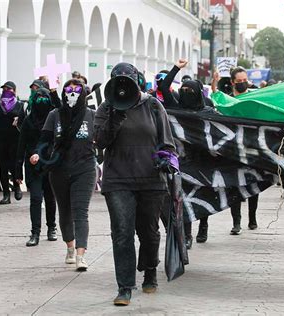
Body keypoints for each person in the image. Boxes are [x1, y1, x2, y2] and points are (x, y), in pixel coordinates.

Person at [94, 62, 176, 306]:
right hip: (118, 180)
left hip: (151, 180)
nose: (122, 84)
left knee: (149, 233)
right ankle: (125, 286)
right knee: (122, 233)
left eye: (126, 79)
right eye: (116, 80)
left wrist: (166, 160)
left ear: (136, 80)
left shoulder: (153, 105)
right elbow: (99, 141)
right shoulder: (106, 107)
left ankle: (150, 270)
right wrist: (115, 118)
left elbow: (167, 143)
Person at [30, 78, 96, 271]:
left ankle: (81, 255)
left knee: (80, 212)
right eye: (68, 89)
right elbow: (44, 139)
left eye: (77, 90)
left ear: (83, 93)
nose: (72, 93)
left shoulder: (91, 115)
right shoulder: (55, 115)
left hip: (85, 169)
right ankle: (70, 246)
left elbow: (102, 138)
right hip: (59, 169)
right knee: (65, 211)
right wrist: (37, 153)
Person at [159, 59, 219, 248]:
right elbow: (165, 86)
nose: (186, 95)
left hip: (202, 160)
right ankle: (187, 234)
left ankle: (204, 224)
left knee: (202, 194)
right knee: (182, 199)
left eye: (190, 92)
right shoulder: (176, 108)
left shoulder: (207, 111)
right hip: (181, 162)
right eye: (183, 91)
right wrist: (176, 67)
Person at [212, 67, 259, 235]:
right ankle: (236, 222)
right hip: (233, 149)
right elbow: (216, 99)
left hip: (252, 148)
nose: (242, 84)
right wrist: (214, 83)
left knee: (254, 183)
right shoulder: (228, 101)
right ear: (232, 82)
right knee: (234, 186)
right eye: (239, 81)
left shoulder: (256, 98)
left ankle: (252, 218)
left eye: (244, 80)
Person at [16, 87, 57, 247]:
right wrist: (18, 171)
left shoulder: (53, 119)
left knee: (50, 197)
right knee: (35, 199)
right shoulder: (28, 120)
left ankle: (52, 227)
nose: (41, 101)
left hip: (50, 163)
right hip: (32, 165)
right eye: (38, 97)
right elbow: (21, 145)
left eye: (44, 97)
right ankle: (35, 233)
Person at [0, 81, 23, 204]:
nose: (6, 91)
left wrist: (19, 119)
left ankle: (16, 187)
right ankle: (6, 194)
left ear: (14, 91)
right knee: (3, 168)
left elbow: (24, 121)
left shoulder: (20, 105)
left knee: (14, 166)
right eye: (4, 89)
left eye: (9, 89)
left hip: (14, 140)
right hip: (0, 140)